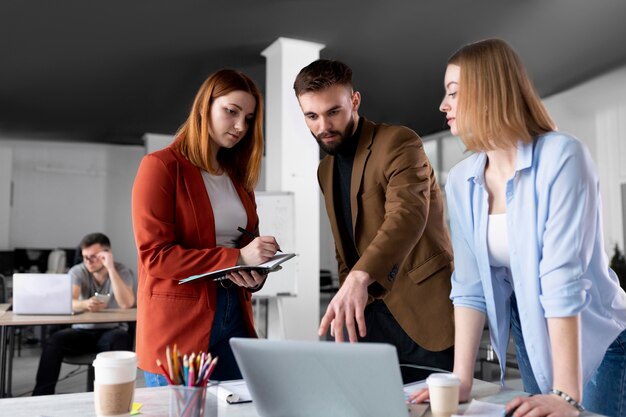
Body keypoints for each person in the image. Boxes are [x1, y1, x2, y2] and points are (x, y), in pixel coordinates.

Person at [410, 38, 626, 417]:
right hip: (531, 335)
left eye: (454, 93)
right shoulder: (462, 180)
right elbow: (470, 287)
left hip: (595, 338)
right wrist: (461, 381)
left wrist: (567, 395)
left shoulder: (562, 156)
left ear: (488, 91)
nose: (443, 105)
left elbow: (563, 280)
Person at [293, 59, 455, 379]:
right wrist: (347, 303)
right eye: (311, 116)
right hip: (367, 321)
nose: (323, 125)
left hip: (423, 312)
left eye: (333, 112)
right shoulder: (325, 170)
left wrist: (360, 276)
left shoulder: (398, 142)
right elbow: (344, 250)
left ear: (354, 101)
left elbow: (407, 214)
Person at [132, 69, 279, 386]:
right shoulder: (161, 167)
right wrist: (237, 258)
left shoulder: (238, 178)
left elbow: (244, 245)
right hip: (178, 324)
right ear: (205, 107)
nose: (241, 126)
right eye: (231, 111)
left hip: (234, 314)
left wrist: (256, 273)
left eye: (249, 118)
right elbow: (155, 257)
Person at [32, 232, 135, 396]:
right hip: (81, 332)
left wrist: (110, 268)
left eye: (93, 257)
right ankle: (40, 397)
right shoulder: (77, 271)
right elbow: (69, 300)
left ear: (106, 254)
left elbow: (127, 303)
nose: (88, 262)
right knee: (54, 341)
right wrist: (85, 304)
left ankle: (112, 399)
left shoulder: (121, 271)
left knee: (119, 339)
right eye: (85, 257)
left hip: (112, 331)